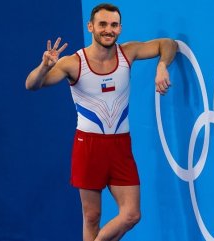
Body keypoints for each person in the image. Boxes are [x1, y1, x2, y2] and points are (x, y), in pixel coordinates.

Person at [25, 3, 178, 241]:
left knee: (131, 215)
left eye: (114, 25)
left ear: (120, 28)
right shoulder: (73, 63)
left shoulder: (128, 52)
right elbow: (32, 85)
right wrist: (44, 67)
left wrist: (161, 65)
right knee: (92, 217)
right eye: (103, 24)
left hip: (120, 146)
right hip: (88, 145)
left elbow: (169, 44)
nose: (109, 30)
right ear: (91, 27)